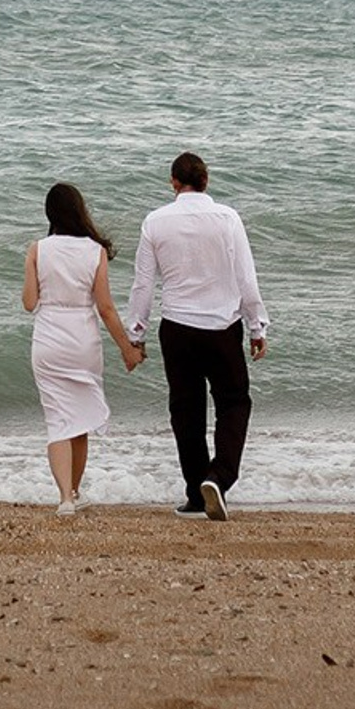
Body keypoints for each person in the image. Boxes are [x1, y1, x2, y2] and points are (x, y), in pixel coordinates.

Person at [124, 150, 268, 520]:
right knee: (234, 403)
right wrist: (257, 325)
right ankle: (218, 478)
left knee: (185, 411)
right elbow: (246, 278)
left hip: (178, 328)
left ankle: (195, 493)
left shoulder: (155, 222)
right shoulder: (227, 218)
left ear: (174, 182)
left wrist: (135, 334)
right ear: (206, 182)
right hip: (222, 327)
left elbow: (143, 285)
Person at [23, 181, 144, 515]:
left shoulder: (38, 249)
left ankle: (64, 498)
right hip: (83, 340)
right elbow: (105, 308)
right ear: (79, 212)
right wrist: (127, 348)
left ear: (50, 213)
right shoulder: (95, 251)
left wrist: (31, 264)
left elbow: (29, 303)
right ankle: (74, 493)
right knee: (79, 421)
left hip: (49, 339)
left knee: (58, 420)